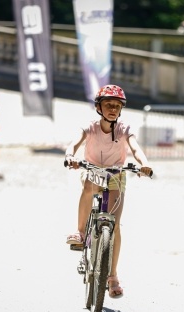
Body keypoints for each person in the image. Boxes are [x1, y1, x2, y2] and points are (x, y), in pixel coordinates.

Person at [64, 84, 152, 299]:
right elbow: (74, 144)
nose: (113, 108)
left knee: (114, 224)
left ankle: (112, 276)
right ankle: (81, 231)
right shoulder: (91, 126)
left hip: (115, 175)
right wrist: (70, 157)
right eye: (108, 105)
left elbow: (135, 148)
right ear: (98, 107)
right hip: (93, 170)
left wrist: (144, 164)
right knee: (88, 188)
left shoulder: (124, 129)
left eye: (117, 105)